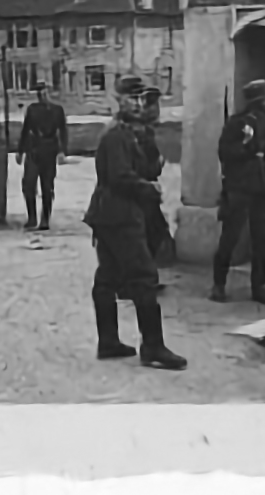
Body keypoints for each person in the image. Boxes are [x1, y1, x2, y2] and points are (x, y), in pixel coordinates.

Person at [83, 76, 187, 371]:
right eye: (132, 98)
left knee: (108, 277)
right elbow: (120, 177)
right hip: (119, 213)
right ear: (119, 100)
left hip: (112, 213)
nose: (139, 104)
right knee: (143, 277)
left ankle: (109, 342)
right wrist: (148, 189)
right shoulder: (116, 134)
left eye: (141, 98)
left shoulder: (132, 133)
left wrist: (151, 147)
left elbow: (146, 167)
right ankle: (153, 347)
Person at [210, 78, 265, 305]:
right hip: (239, 187)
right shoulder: (236, 124)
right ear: (260, 100)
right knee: (230, 237)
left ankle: (259, 286)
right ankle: (218, 284)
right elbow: (225, 152)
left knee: (261, 239)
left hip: (261, 188)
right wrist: (247, 147)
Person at [16, 80, 68, 231]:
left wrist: (62, 151)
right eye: (39, 93)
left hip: (49, 150)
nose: (42, 95)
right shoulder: (32, 109)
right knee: (28, 185)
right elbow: (25, 131)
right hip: (34, 150)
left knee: (47, 187)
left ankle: (45, 219)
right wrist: (20, 152)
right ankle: (32, 217)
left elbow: (63, 131)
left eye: (44, 92)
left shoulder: (57, 110)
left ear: (50, 93)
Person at [135, 86, 173, 273]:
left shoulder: (145, 131)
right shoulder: (142, 133)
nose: (157, 113)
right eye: (155, 107)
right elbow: (142, 163)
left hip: (146, 185)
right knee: (151, 229)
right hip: (143, 186)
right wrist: (157, 165)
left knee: (152, 228)